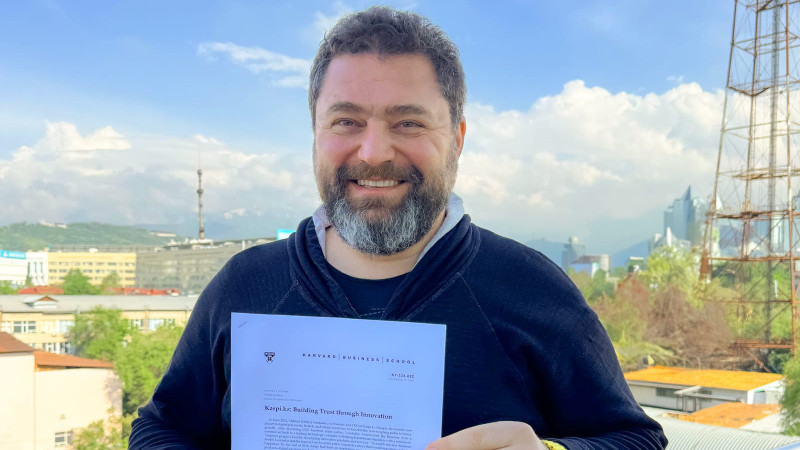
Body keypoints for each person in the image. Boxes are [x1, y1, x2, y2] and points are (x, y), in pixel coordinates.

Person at [129, 6, 667, 449]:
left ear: (457, 138)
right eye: (347, 121)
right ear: (315, 134)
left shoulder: (531, 287)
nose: (374, 152)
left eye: (408, 122)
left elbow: (636, 438)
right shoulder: (244, 284)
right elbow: (162, 428)